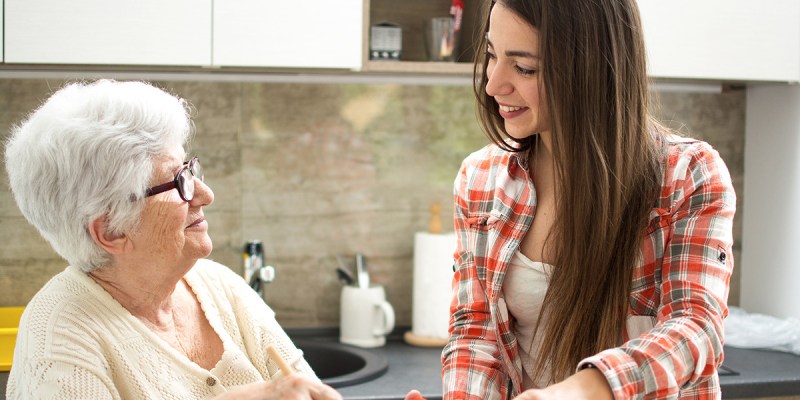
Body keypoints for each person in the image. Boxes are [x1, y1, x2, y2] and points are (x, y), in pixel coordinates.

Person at [442, 1, 736, 399]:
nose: (494, 84)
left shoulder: (688, 175)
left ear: (590, 69)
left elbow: (695, 328)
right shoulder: (481, 180)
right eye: (492, 54)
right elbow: (475, 333)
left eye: (524, 67)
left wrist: (580, 391)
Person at [4, 79, 346, 399]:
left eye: (190, 169)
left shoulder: (223, 288)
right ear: (111, 231)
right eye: (178, 180)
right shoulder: (59, 335)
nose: (205, 194)